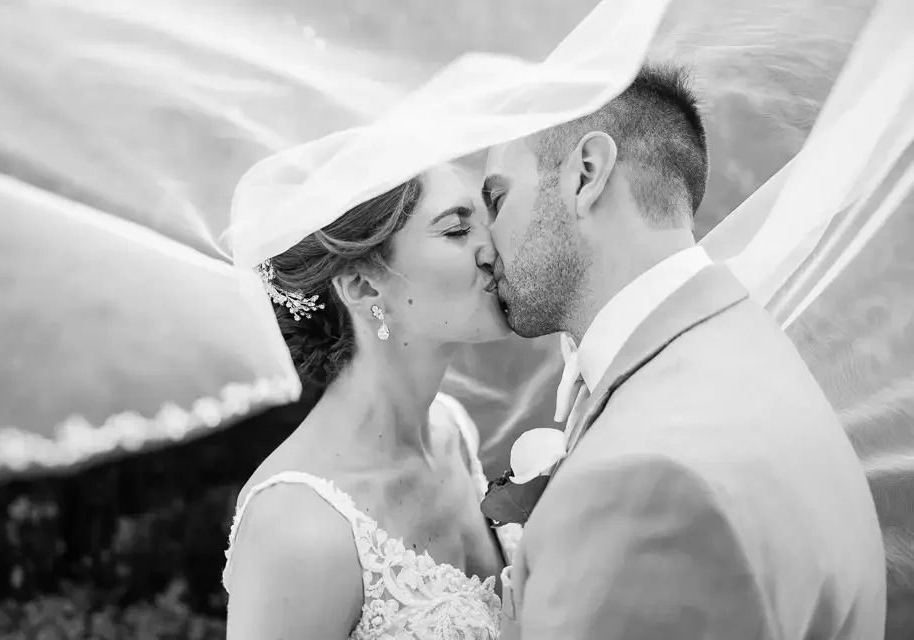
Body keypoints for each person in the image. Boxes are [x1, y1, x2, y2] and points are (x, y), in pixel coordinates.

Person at [487, 63, 887, 639]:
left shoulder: (645, 481)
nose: (486, 245)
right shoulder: (746, 345)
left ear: (586, 175)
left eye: (497, 199)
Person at [222, 163, 520, 639]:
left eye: (488, 218)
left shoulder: (452, 430)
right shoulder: (296, 526)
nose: (494, 248)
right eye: (457, 230)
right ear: (363, 287)